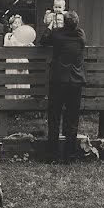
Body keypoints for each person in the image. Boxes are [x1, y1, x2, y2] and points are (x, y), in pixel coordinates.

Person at [40, 10, 86, 161]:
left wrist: (51, 25)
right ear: (77, 23)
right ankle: (69, 155)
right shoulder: (81, 35)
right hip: (76, 82)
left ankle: (52, 154)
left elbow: (43, 40)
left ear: (64, 23)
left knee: (54, 117)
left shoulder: (57, 34)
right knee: (72, 118)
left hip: (59, 80)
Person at [3, 14, 31, 100]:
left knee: (22, 78)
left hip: (22, 58)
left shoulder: (24, 35)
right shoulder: (8, 35)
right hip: (12, 59)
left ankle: (23, 97)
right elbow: (7, 46)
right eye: (15, 23)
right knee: (13, 76)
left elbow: (28, 45)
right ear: (11, 25)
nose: (18, 25)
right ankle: (12, 97)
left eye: (19, 23)